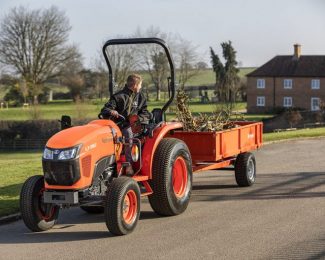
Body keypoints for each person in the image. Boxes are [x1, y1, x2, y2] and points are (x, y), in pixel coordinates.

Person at [100, 74, 151, 175]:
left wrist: (137, 119)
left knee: (128, 132)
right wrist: (111, 111)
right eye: (140, 85)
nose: (140, 87)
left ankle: (128, 165)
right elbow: (105, 109)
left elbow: (145, 113)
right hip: (119, 124)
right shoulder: (118, 96)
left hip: (134, 125)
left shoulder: (140, 97)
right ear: (135, 85)